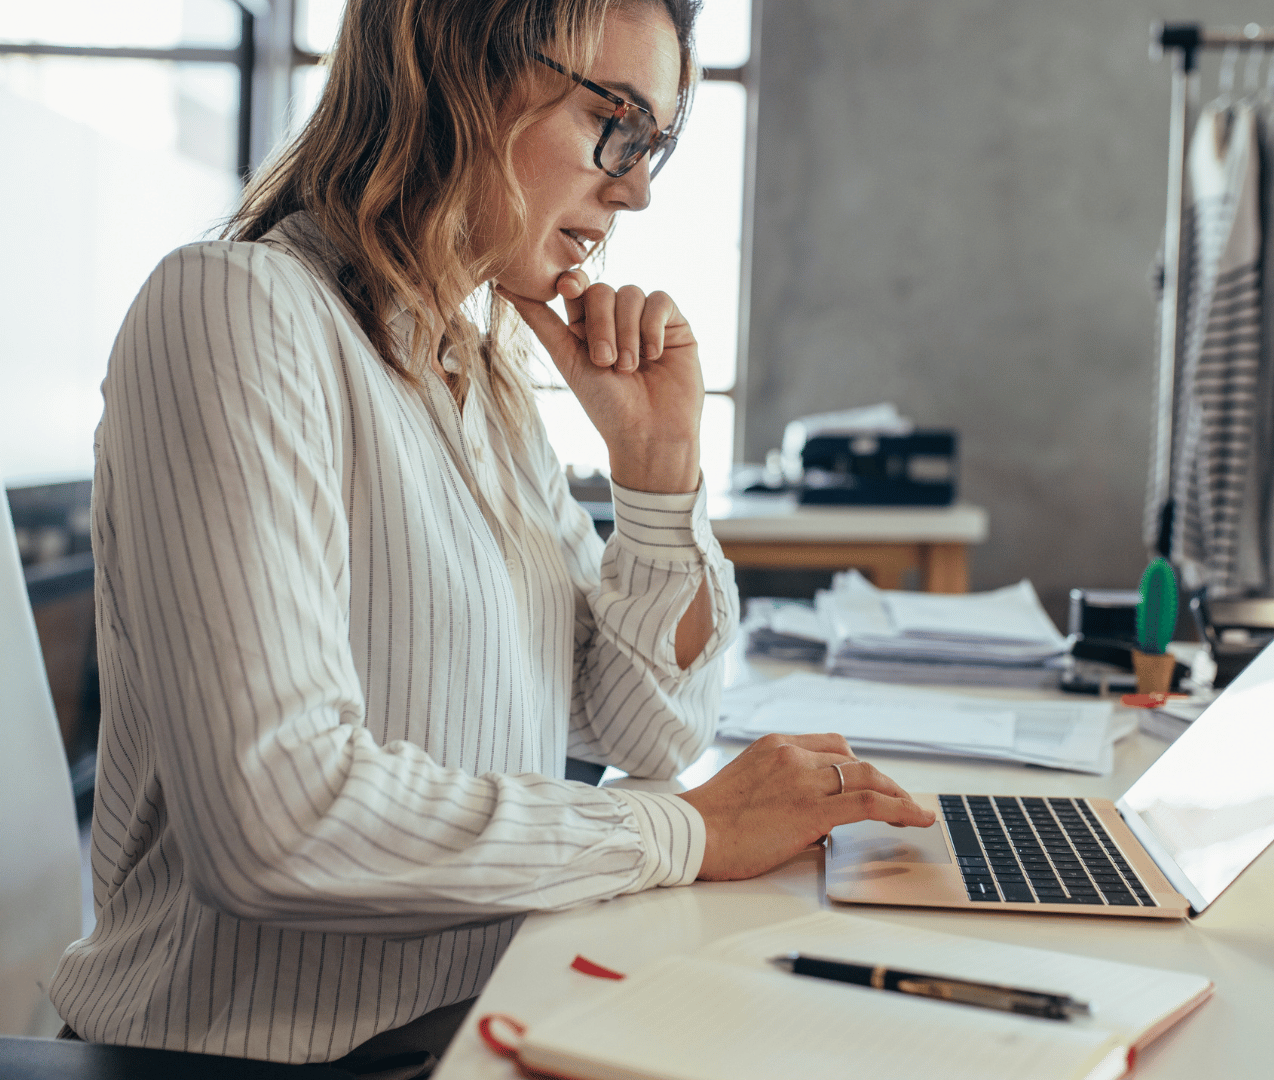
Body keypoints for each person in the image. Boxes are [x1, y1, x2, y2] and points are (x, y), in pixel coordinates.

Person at [46, 0, 934, 1072]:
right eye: (619, 124)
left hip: (482, 1015)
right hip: (268, 1060)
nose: (637, 186)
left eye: (654, 144)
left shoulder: (482, 375)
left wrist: (659, 476)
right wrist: (685, 834)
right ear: (460, 65)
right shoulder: (234, 311)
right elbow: (279, 822)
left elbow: (645, 732)